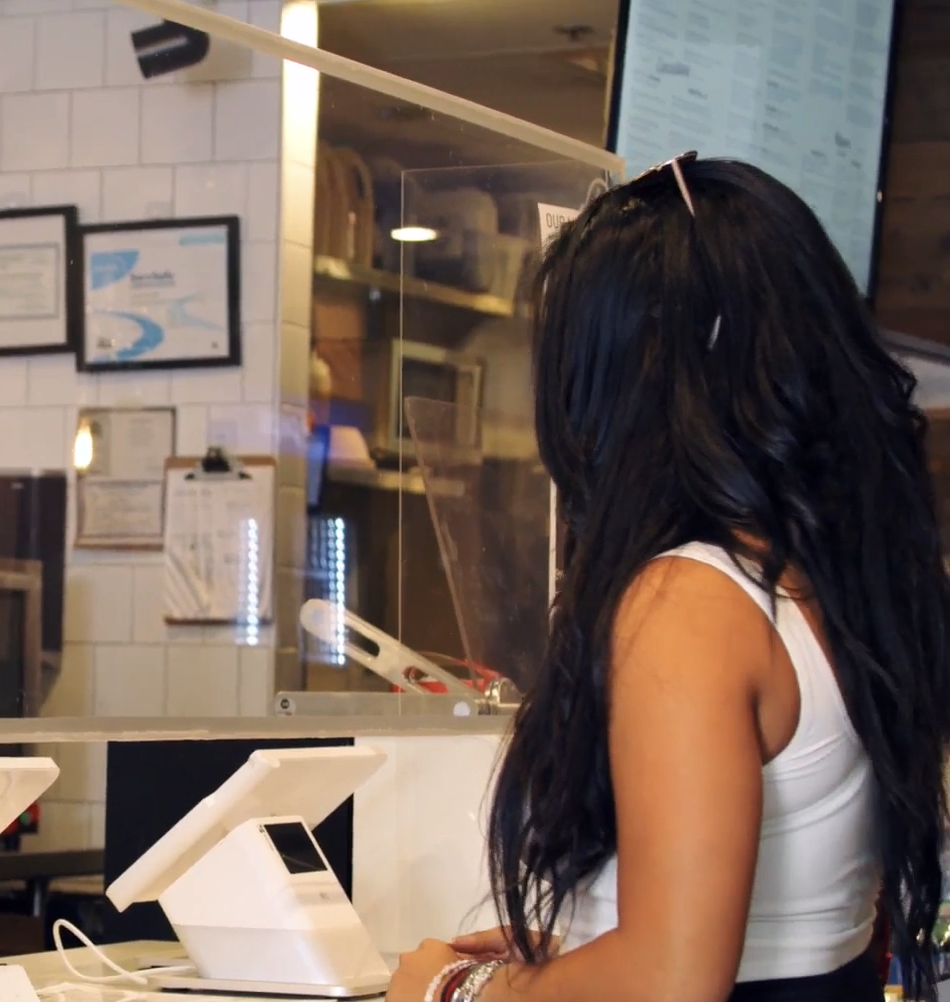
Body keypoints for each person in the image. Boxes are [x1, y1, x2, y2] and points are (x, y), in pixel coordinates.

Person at [387, 155, 950, 1002]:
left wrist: (457, 991)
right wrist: (583, 948)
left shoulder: (687, 600)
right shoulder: (834, 581)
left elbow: (673, 978)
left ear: (625, 376)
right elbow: (773, 922)